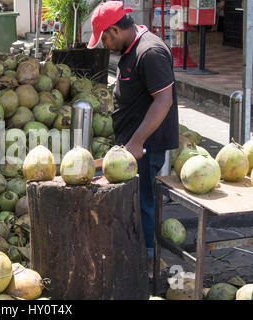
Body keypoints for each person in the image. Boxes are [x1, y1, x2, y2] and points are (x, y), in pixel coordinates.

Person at [87, 1, 179, 278]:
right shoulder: (130, 48)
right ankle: (133, 258)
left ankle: (147, 266)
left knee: (143, 204)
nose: (104, 44)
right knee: (132, 203)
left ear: (115, 29)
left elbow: (164, 100)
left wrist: (137, 141)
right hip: (130, 148)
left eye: (104, 37)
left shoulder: (149, 51)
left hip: (145, 148)